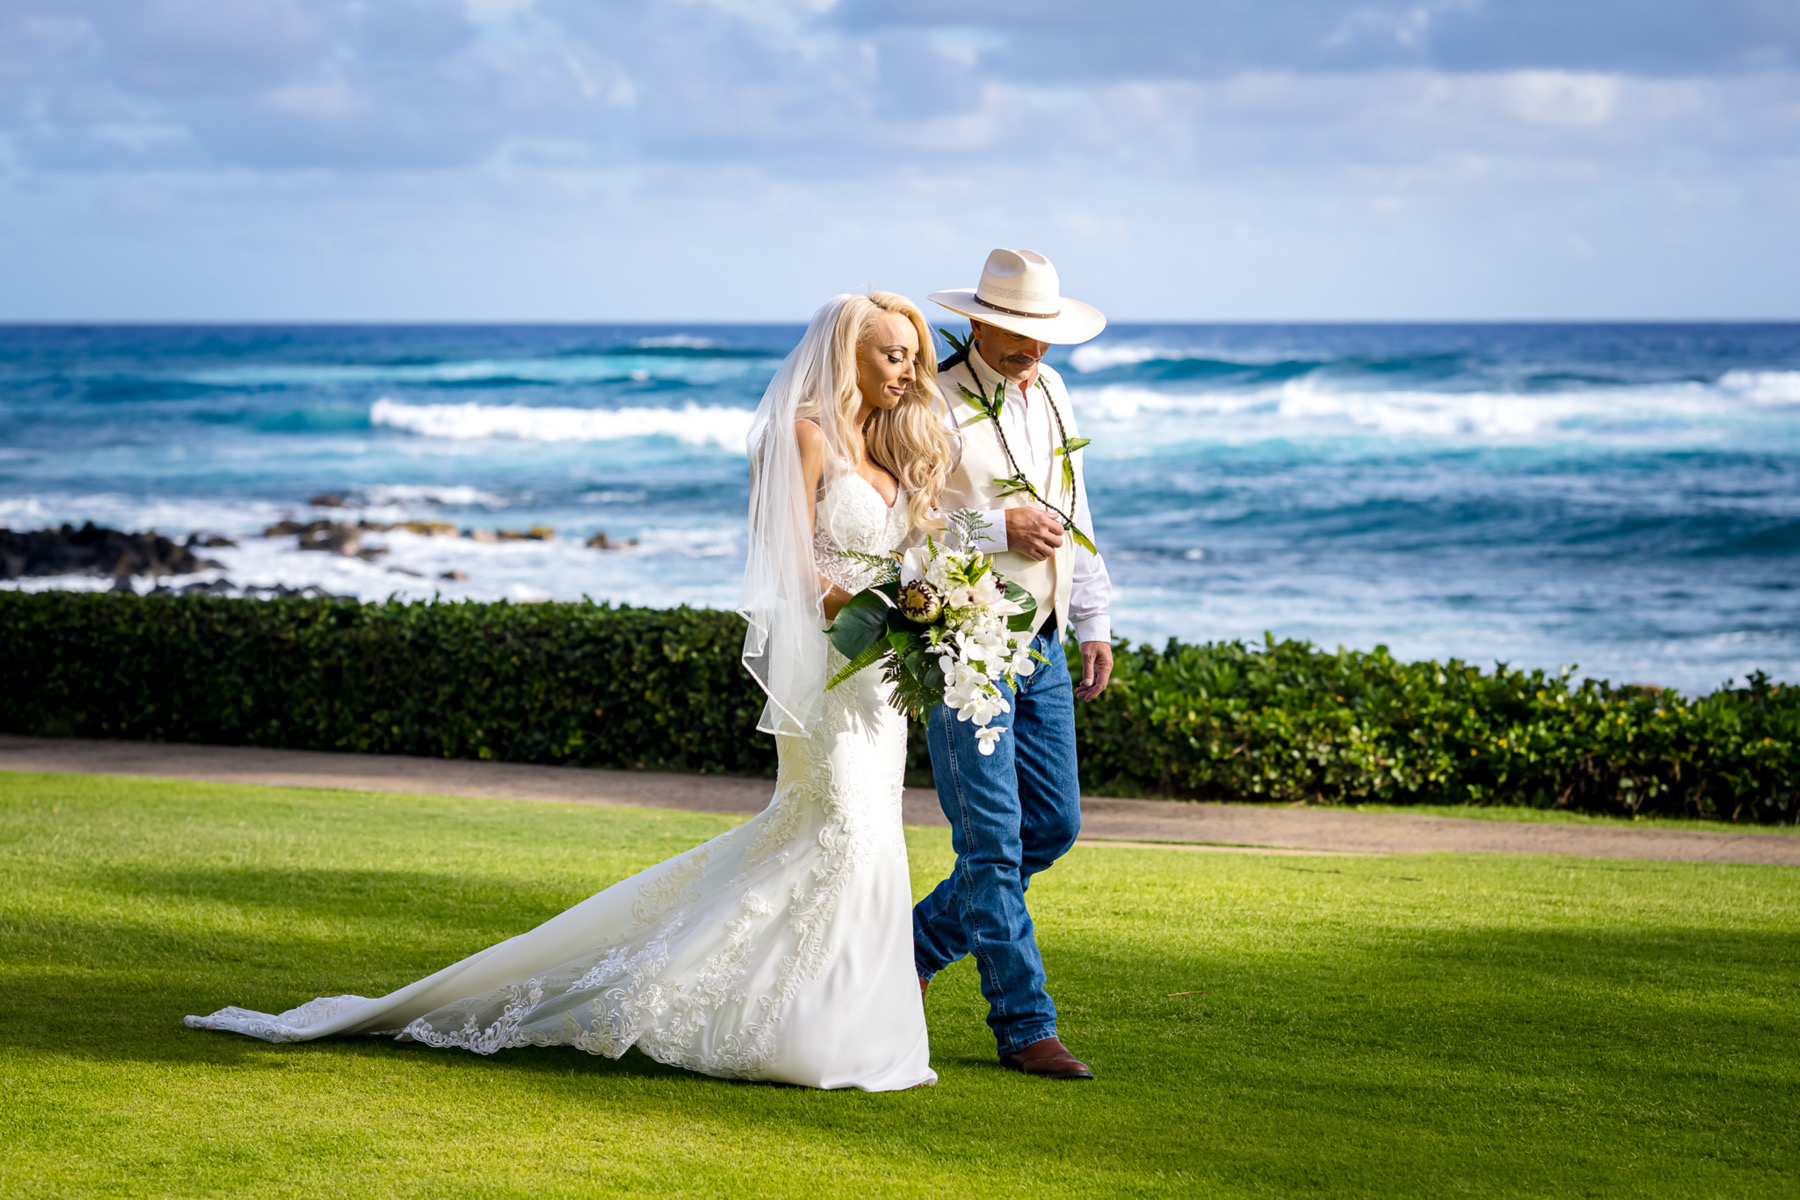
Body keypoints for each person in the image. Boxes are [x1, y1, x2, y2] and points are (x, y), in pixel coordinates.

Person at [186, 292, 953, 1092]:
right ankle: (781, 1026)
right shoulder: (803, 435)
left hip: (879, 684)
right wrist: (888, 605)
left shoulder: (885, 446)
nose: (907, 370)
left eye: (912, 357)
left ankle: (846, 1027)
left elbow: (908, 556)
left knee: (862, 838)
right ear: (846, 354)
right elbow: (793, 572)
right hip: (834, 679)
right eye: (891, 354)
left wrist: (932, 605)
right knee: (842, 833)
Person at [913, 248, 1113, 1080]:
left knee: (1052, 827)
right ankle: (1025, 1024)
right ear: (977, 323)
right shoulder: (930, 403)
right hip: (964, 646)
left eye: (1044, 342)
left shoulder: (1053, 391)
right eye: (1019, 342)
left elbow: (1075, 504)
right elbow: (903, 532)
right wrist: (996, 531)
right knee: (992, 843)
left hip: (1047, 642)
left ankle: (905, 951)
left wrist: (1095, 613)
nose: (1034, 359)